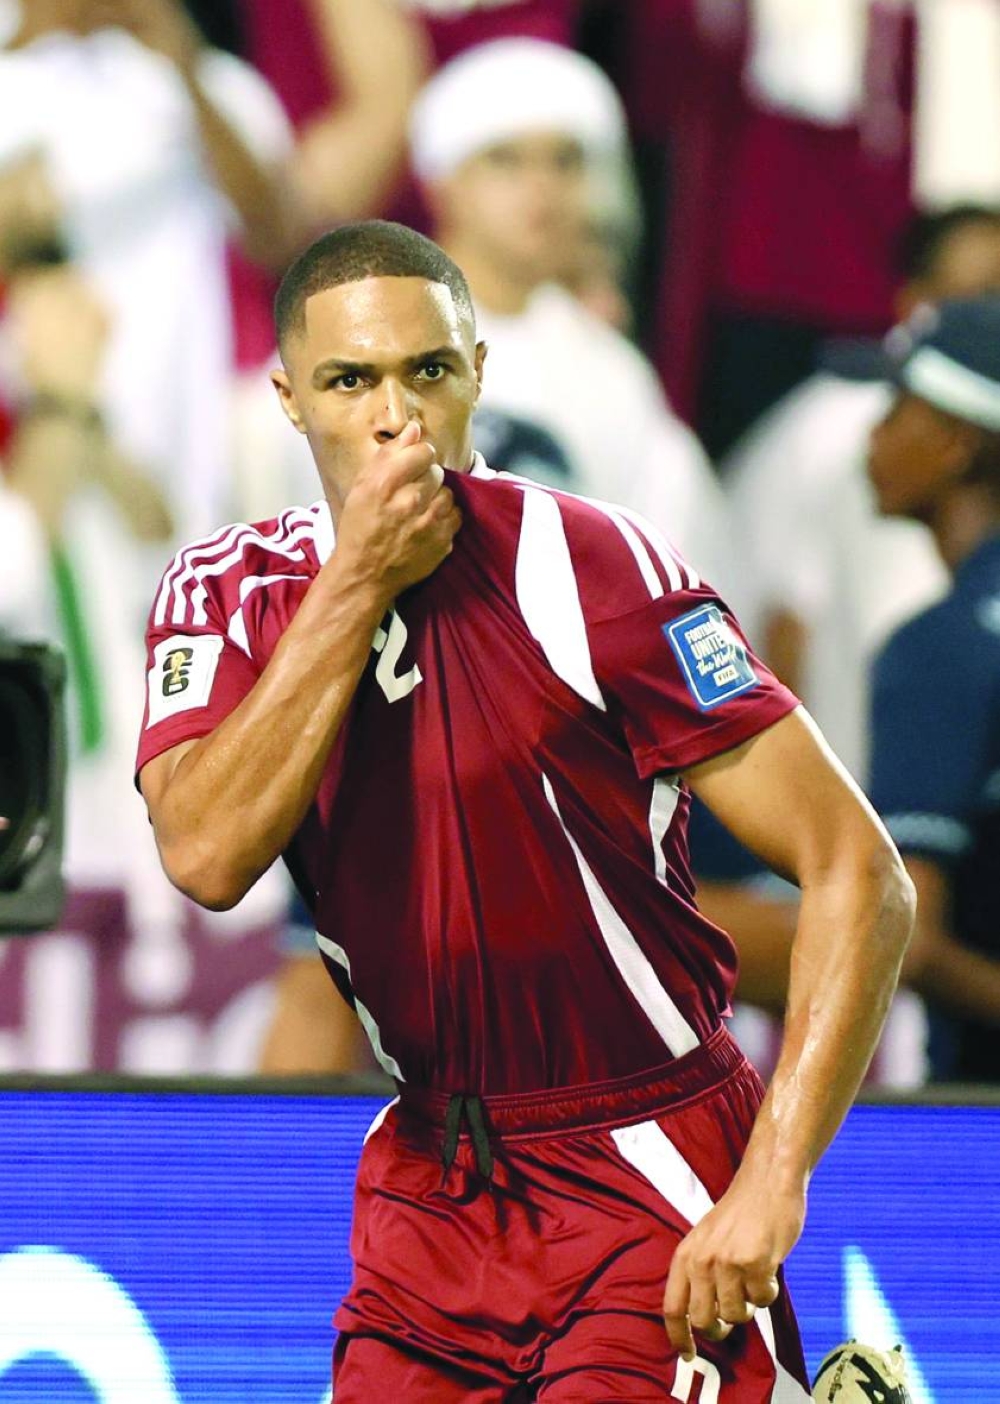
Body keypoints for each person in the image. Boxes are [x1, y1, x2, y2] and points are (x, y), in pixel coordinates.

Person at [136, 221, 914, 1399]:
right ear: (290, 399)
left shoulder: (595, 565)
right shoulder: (225, 591)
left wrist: (773, 1179)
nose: (396, 416)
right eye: (350, 381)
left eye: (427, 372)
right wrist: (359, 580)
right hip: (428, 1175)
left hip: (645, 1158)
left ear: (477, 375)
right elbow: (203, 852)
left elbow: (862, 872)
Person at [867, 295, 1000, 1082]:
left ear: (954, 444)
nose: (873, 436)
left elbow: (909, 940)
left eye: (895, 408)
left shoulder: (940, 648)